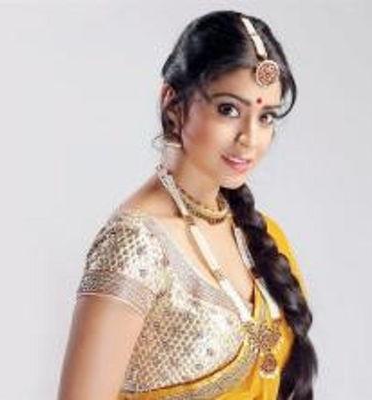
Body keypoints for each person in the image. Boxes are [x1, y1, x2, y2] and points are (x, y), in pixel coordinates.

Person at [58, 10, 318, 400]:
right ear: (173, 103)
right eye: (229, 110)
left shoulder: (261, 235)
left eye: (265, 117)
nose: (250, 138)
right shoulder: (135, 245)